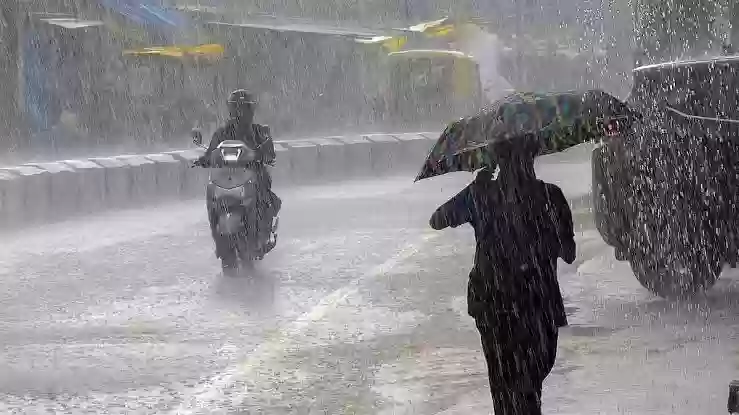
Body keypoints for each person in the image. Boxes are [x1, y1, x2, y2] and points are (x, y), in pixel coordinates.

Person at [429, 138, 575, 415]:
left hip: (494, 304)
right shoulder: (550, 196)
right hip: (537, 305)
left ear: (497, 162)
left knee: (503, 385)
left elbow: (438, 219)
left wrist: (476, 190)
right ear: (533, 158)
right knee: (527, 385)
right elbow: (568, 252)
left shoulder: (483, 195)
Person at [197, 89, 282, 257]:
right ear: (230, 109)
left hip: (252, 175)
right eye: (236, 108)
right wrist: (204, 159)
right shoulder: (221, 133)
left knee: (264, 193)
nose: (239, 112)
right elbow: (211, 152)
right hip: (225, 178)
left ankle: (262, 230)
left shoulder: (258, 132)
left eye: (243, 108)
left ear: (251, 110)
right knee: (212, 196)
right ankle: (218, 236)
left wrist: (263, 154)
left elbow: (269, 152)